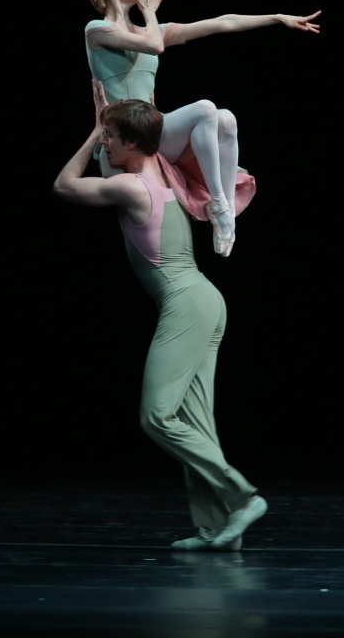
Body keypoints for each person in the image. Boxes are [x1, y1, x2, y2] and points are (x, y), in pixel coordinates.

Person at [53, 79, 268, 551]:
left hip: (187, 303)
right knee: (195, 421)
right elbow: (140, 138)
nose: (104, 143)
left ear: (131, 143)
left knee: (156, 416)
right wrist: (118, 113)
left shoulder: (131, 187)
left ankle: (241, 495)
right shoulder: (161, 171)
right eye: (104, 136)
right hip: (206, 301)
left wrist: (92, 133)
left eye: (111, 137)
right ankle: (216, 529)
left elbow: (64, 186)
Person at [85, 0, 321, 257]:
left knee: (225, 118)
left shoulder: (150, 30)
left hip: (150, 129)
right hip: (123, 139)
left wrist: (276, 17)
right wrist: (150, 13)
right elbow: (155, 46)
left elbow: (222, 22)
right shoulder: (96, 30)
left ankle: (223, 210)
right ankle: (219, 203)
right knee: (205, 108)